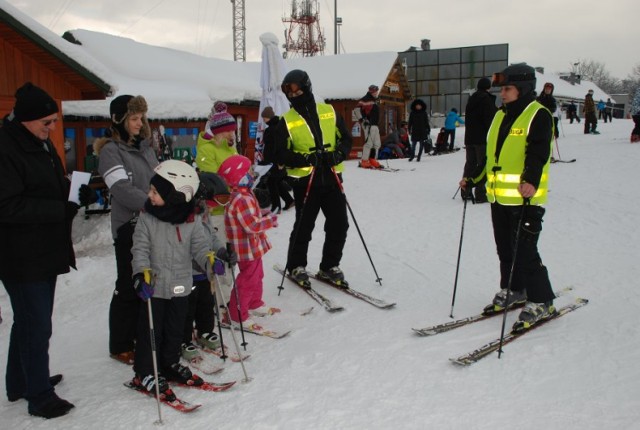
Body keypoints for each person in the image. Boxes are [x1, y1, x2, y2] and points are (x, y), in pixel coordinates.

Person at [459, 63, 556, 331]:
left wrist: (531, 180)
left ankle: (542, 300)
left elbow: (538, 153)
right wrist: (473, 177)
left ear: (523, 89)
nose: (503, 94)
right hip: (499, 199)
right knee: (505, 249)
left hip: (525, 198)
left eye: (508, 89)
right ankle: (515, 289)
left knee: (525, 251)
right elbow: (491, 157)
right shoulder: (500, 116)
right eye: (502, 89)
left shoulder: (538, 115)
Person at [0, 82, 76, 418]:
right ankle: (39, 396)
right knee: (36, 324)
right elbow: (7, 206)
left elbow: (48, 185)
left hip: (43, 248)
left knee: (31, 320)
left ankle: (21, 382)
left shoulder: (36, 141)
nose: (52, 128)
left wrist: (74, 195)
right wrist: (58, 209)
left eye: (54, 121)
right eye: (47, 122)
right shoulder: (5, 148)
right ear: (25, 120)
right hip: (19, 253)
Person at [129, 160, 231, 398]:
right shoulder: (147, 218)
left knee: (175, 330)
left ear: (174, 195)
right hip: (153, 288)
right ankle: (145, 371)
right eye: (151, 190)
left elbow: (200, 248)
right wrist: (139, 274)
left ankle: (169, 364)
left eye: (155, 192)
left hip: (180, 286)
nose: (149, 195)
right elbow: (140, 249)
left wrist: (210, 261)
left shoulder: (191, 220)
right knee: (152, 332)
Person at [273, 69, 353, 287]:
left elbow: (346, 139)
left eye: (296, 90)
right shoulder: (286, 120)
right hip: (306, 182)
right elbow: (279, 153)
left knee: (339, 224)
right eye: (288, 92)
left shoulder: (329, 111)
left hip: (332, 178)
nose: (293, 95)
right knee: (304, 226)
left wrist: (339, 153)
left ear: (306, 86)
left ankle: (329, 266)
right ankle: (296, 265)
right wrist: (307, 158)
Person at [96, 95, 159, 366]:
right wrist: (152, 202)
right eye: (134, 118)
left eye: (141, 118)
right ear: (118, 120)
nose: (139, 123)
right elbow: (121, 189)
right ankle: (120, 343)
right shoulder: (111, 151)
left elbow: (159, 177)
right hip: (128, 228)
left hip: (152, 223)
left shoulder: (145, 147)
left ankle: (140, 332)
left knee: (147, 279)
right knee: (127, 284)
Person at [218, 155, 279, 330]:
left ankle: (254, 303)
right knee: (248, 279)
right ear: (240, 177)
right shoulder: (241, 199)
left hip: (252, 247)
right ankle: (237, 314)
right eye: (250, 171)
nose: (253, 173)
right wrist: (270, 221)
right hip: (246, 249)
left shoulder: (244, 194)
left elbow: (251, 219)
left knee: (257, 275)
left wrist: (264, 216)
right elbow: (251, 225)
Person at [181, 172, 233, 359]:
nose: (209, 204)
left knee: (206, 302)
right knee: (187, 307)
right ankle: (183, 339)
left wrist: (221, 251)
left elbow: (211, 235)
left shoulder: (203, 211)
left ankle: (204, 330)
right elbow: (185, 244)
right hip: (188, 272)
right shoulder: (184, 215)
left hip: (205, 271)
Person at [461, 77, 497, 203]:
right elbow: (491, 120)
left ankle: (465, 191)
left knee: (470, 164)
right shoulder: (486, 99)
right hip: (482, 138)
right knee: (482, 165)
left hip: (470, 137)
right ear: (488, 87)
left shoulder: (471, 99)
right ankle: (481, 194)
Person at [261, 106, 294, 214]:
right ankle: (289, 201)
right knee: (277, 182)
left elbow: (278, 146)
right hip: (275, 160)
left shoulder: (273, 129)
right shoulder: (277, 126)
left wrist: (280, 162)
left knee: (272, 183)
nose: (263, 120)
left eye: (264, 118)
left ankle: (276, 207)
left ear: (268, 117)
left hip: (275, 161)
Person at [358, 85, 382, 169]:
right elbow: (357, 111)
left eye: (377, 91)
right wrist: (363, 120)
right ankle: (364, 161)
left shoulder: (374, 100)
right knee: (369, 143)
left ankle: (372, 160)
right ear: (371, 91)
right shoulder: (365, 99)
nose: (376, 93)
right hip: (369, 125)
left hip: (375, 125)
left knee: (377, 143)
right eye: (375, 91)